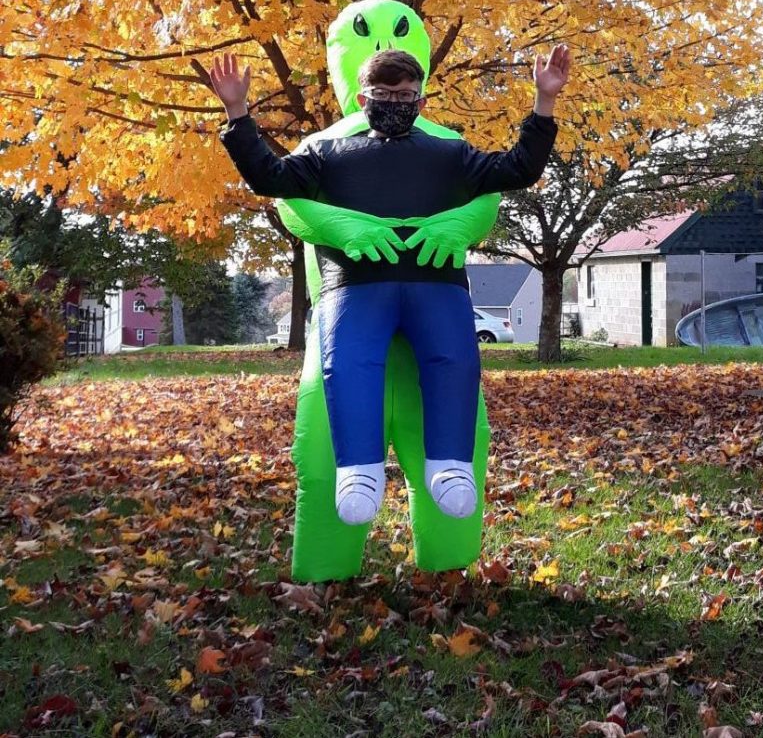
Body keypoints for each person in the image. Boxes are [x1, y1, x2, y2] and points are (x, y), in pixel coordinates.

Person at [211, 45, 571, 525]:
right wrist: (237, 111)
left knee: (455, 359)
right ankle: (358, 469)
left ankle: (451, 464)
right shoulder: (328, 152)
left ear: (421, 103)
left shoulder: (450, 153)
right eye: (383, 93)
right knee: (350, 363)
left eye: (404, 94)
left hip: (437, 285)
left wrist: (544, 102)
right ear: (363, 99)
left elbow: (518, 168)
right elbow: (269, 177)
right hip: (355, 286)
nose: (394, 102)